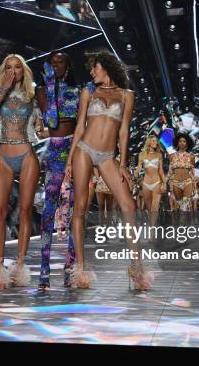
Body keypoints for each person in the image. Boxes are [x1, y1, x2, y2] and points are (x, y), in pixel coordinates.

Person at [65, 49, 151, 290]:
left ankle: (137, 269)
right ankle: (80, 269)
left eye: (95, 67)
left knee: (129, 206)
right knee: (79, 208)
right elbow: (80, 127)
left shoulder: (126, 95)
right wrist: (70, 160)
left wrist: (123, 163)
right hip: (84, 149)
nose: (91, 72)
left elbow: (124, 131)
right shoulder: (88, 92)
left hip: (107, 156)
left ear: (106, 67)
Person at [0, 54, 43, 289]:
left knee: (26, 211)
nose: (13, 71)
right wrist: (2, 89)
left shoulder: (32, 96)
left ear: (23, 71)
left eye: (17, 67)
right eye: (9, 67)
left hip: (27, 154)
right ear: (3, 71)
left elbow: (40, 126)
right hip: (4, 156)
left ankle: (19, 266)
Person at [35, 51, 81, 289]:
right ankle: (44, 269)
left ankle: (70, 266)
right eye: (51, 63)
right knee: (48, 209)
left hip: (75, 148)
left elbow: (82, 125)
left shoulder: (79, 91)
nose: (55, 65)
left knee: (75, 210)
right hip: (55, 150)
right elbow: (51, 120)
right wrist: (51, 86)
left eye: (59, 61)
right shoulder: (41, 91)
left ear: (68, 65)